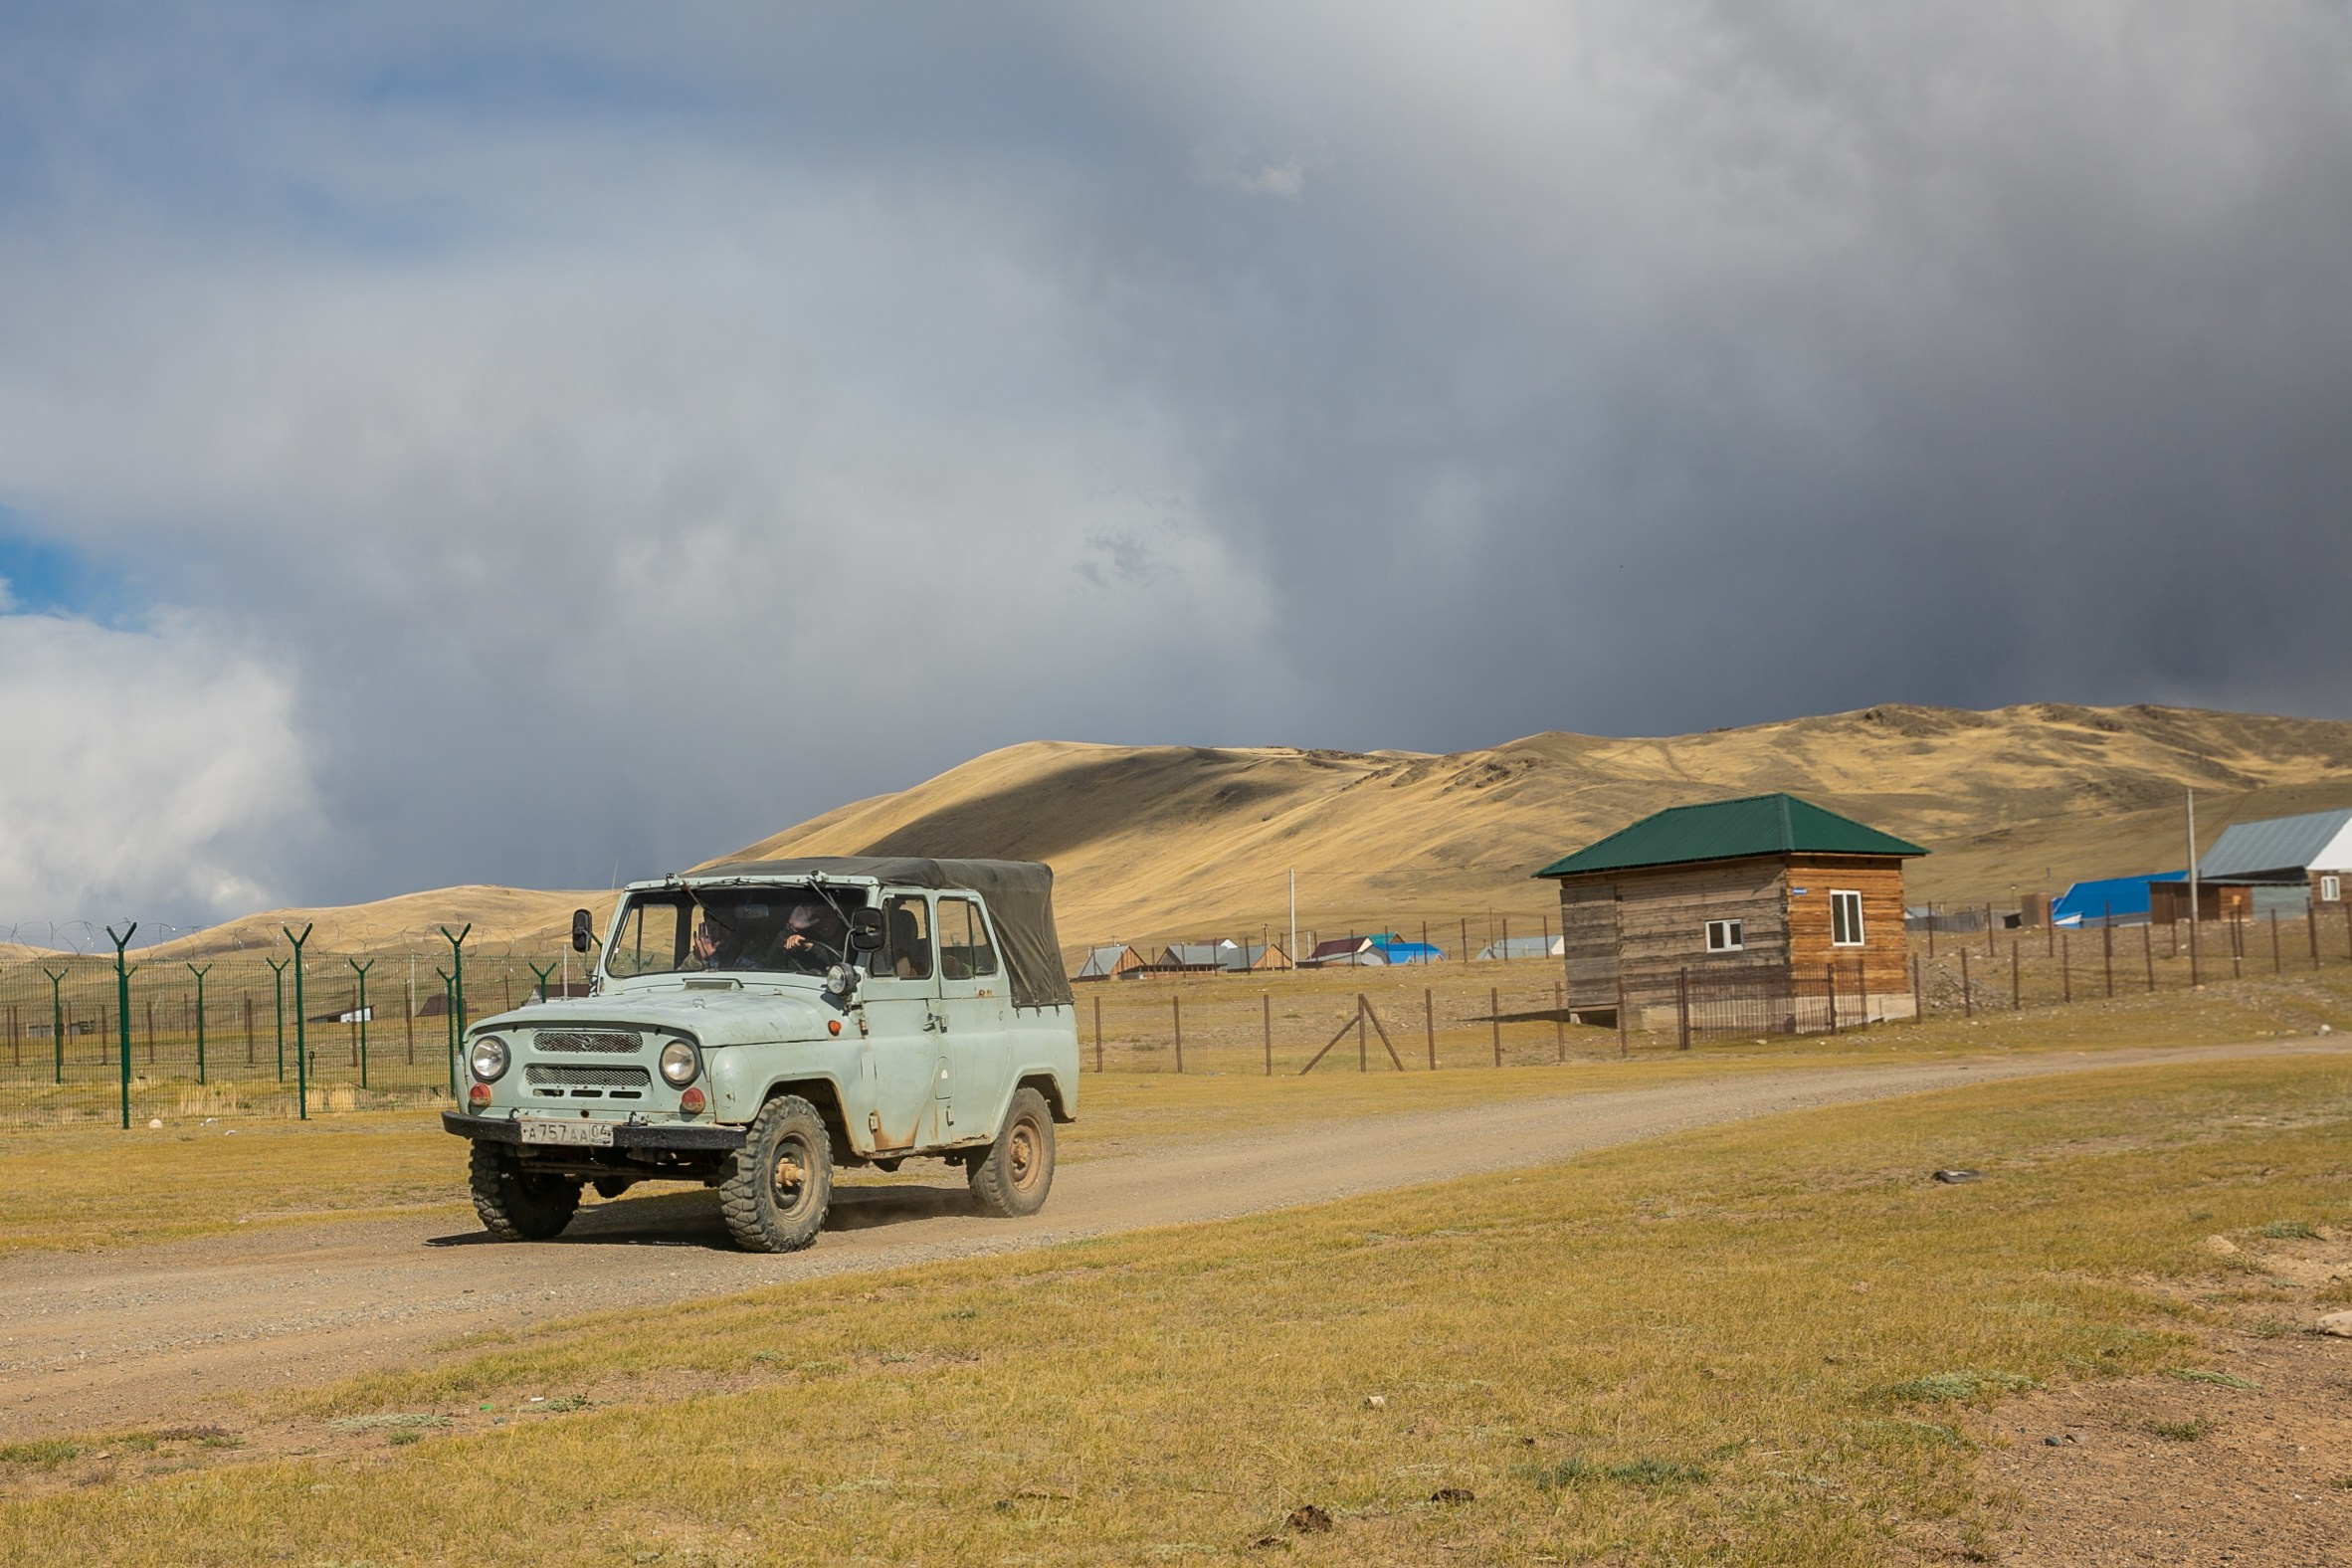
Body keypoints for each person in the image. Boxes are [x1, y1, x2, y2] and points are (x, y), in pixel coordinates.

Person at [772, 902, 845, 975]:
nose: (822, 921)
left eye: (828, 914)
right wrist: (791, 927)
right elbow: (772, 968)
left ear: (839, 914)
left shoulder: (850, 939)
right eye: (815, 917)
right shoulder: (803, 948)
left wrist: (811, 946)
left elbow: (845, 964)